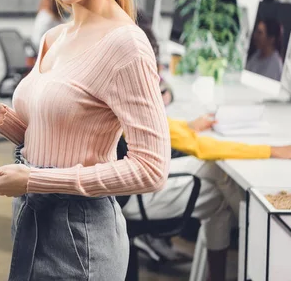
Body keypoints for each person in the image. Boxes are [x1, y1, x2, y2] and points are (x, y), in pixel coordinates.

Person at [0, 0, 170, 280]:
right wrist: (5, 121)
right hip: (33, 217)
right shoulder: (55, 37)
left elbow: (151, 169)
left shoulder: (124, 44)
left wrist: (33, 179)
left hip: (80, 234)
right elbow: (60, 132)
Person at [125, 18, 291, 280]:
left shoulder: (124, 88)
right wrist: (270, 150)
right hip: (135, 195)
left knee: (218, 200)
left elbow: (159, 128)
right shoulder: (129, 92)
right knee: (214, 168)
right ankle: (265, 234)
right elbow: (202, 148)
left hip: (129, 189)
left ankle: (247, 246)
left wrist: (187, 125)